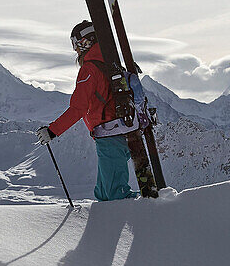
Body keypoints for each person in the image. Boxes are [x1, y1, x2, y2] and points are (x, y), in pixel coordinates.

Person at [38, 22, 156, 201]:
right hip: (123, 131)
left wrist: (52, 131)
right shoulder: (112, 64)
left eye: (76, 44)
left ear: (86, 42)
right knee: (102, 194)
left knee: (113, 195)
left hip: (110, 136)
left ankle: (150, 214)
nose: (75, 50)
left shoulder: (90, 69)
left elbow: (78, 108)